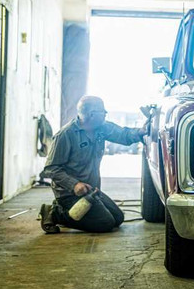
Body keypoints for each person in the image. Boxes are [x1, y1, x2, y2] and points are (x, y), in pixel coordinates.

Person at [38, 96, 147, 234]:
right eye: (103, 111)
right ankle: (55, 213)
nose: (106, 113)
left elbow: (123, 135)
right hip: (69, 194)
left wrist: (141, 132)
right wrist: (74, 184)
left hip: (91, 191)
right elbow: (50, 169)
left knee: (118, 218)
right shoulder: (65, 135)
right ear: (91, 115)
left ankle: (72, 213)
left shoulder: (101, 128)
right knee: (105, 223)